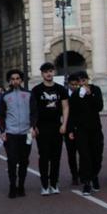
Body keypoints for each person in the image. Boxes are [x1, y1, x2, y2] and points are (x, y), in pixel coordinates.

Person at [31, 63, 69, 194]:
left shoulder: (60, 89)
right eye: (46, 72)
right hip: (42, 127)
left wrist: (64, 124)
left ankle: (54, 183)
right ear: (42, 74)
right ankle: (44, 184)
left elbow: (65, 107)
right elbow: (33, 110)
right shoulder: (36, 90)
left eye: (51, 71)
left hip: (56, 126)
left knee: (56, 156)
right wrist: (33, 126)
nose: (48, 74)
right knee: (44, 156)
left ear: (54, 72)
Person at [66, 70, 105, 195]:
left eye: (84, 80)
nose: (82, 83)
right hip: (81, 130)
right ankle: (87, 182)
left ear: (88, 80)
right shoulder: (75, 95)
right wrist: (71, 129)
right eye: (80, 81)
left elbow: (99, 106)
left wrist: (90, 95)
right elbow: (72, 114)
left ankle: (94, 175)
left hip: (95, 128)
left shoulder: (96, 90)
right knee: (85, 156)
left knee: (97, 155)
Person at [0, 68, 33, 197]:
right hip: (10, 133)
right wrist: (2, 130)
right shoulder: (5, 96)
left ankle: (21, 186)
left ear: (21, 80)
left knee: (24, 161)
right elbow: (0, 115)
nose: (15, 81)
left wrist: (33, 127)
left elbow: (34, 112)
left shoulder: (29, 94)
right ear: (9, 81)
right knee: (12, 160)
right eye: (12, 79)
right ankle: (12, 186)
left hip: (25, 133)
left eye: (17, 78)